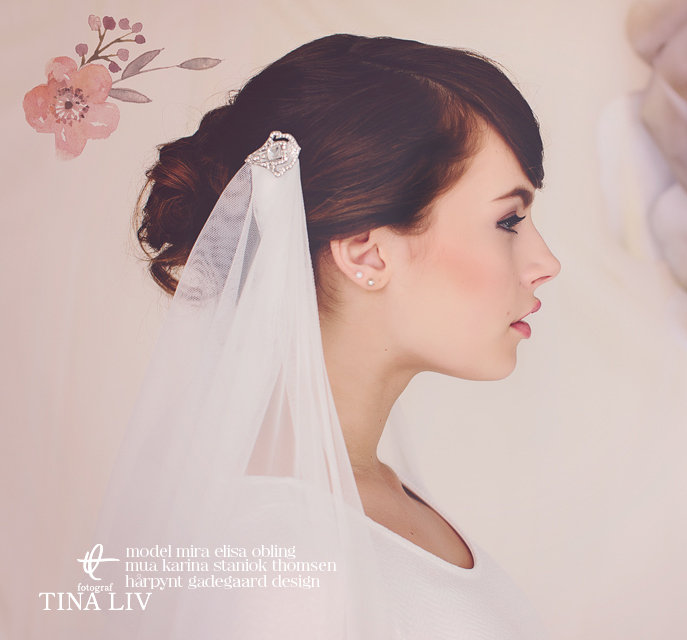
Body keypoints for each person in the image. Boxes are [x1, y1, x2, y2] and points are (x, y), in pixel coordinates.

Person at [93, 33, 559, 639]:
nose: (546, 262)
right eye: (509, 220)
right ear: (366, 253)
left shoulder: (369, 496)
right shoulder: (279, 556)